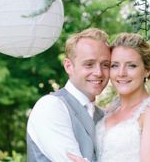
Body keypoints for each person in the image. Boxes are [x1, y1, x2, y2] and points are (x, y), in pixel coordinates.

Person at [68, 32, 150, 162]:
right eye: (115, 65)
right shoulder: (110, 110)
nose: (121, 73)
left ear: (147, 70)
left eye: (131, 65)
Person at [27, 28, 111, 162]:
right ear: (68, 66)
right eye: (89, 64)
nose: (99, 72)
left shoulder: (104, 116)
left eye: (105, 65)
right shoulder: (50, 106)